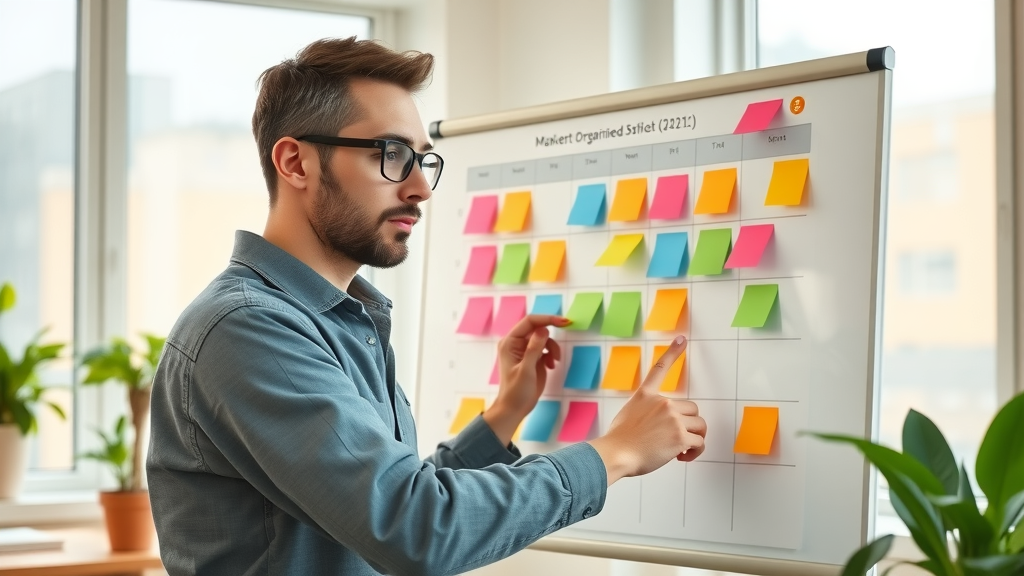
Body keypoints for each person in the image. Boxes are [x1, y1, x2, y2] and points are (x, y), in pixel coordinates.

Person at [147, 36, 707, 576]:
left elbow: (384, 505)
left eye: (422, 159)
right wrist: (615, 453)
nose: (421, 187)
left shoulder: (340, 320)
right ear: (295, 163)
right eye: (392, 154)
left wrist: (504, 416)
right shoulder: (248, 329)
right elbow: (415, 529)